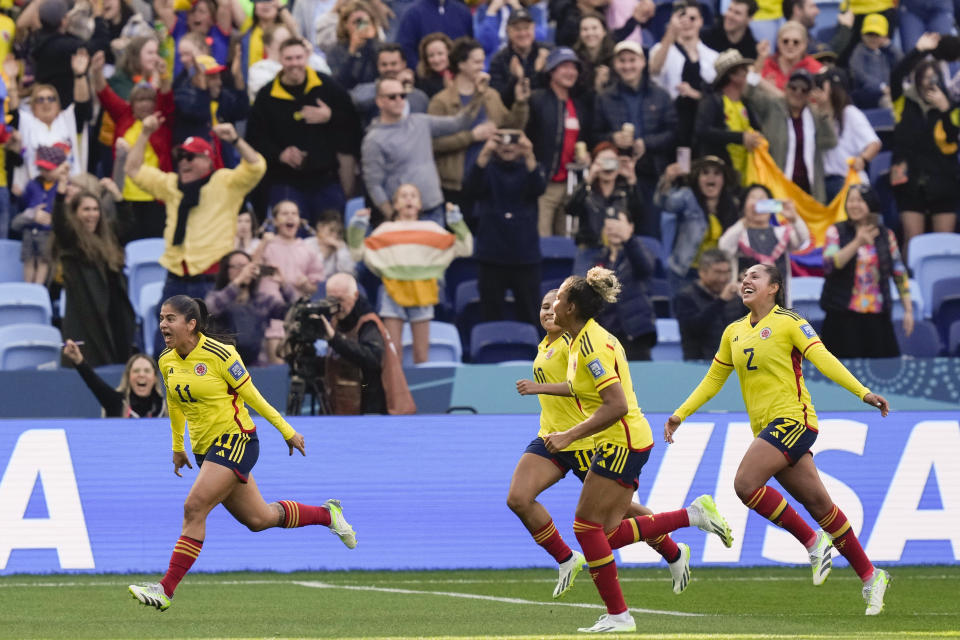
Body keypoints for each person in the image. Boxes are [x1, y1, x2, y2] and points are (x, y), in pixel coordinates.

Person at [666, 263, 892, 616]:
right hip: (767, 430)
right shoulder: (734, 332)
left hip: (794, 420)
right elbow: (713, 380)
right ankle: (871, 575)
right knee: (821, 506)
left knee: (745, 484)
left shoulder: (789, 321)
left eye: (754, 276)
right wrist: (681, 413)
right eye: (744, 277)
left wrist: (863, 393)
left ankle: (812, 541)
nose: (745, 280)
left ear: (774, 287)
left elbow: (823, 358)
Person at [534, 268, 734, 633]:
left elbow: (616, 405)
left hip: (621, 440)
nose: (553, 304)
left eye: (560, 298)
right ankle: (691, 517)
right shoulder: (580, 341)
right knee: (603, 534)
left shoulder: (591, 346)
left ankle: (619, 615)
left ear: (573, 307)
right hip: (620, 440)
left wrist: (567, 435)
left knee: (585, 527)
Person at [128, 295, 357, 611]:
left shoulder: (221, 355)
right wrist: (178, 447)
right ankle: (327, 514)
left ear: (191, 324)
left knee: (194, 507)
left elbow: (254, 398)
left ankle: (165, 589)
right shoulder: (166, 360)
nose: (163, 324)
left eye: (170, 319)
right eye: (162, 318)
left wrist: (287, 430)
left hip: (237, 440)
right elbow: (176, 403)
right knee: (259, 518)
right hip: (206, 450)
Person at [511, 290, 692, 600]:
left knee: (620, 515)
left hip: (584, 441)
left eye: (554, 306)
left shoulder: (577, 343)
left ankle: (673, 551)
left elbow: (583, 389)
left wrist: (541, 389)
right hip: (550, 437)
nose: (548, 312)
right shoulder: (545, 346)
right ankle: (567, 558)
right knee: (518, 498)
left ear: (569, 310)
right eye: (542, 307)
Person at [125, 116, 267, 354]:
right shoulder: (170, 185)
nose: (184, 162)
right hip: (175, 281)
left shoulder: (225, 182)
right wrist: (145, 134)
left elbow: (256, 166)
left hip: (210, 283)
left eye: (191, 157)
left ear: (207, 160)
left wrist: (235, 139)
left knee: (212, 353)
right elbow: (133, 169)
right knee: (166, 352)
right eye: (181, 157)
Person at [348, 185, 472, 363]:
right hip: (392, 292)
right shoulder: (385, 230)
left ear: (420, 204)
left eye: (413, 195)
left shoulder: (432, 229)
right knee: (393, 353)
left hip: (423, 293)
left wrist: (456, 221)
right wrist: (357, 227)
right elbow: (357, 253)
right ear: (395, 205)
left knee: (422, 354)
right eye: (403, 196)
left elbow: (466, 248)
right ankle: (394, 392)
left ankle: (420, 391)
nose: (409, 199)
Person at [247, 38, 360, 218]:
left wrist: (330, 117)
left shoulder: (327, 85)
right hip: (284, 180)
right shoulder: (266, 96)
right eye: (289, 59)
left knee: (331, 234)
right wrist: (279, 154)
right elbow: (254, 138)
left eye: (299, 58)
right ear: (280, 60)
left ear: (307, 57)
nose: (294, 64)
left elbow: (353, 123)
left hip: (326, 178)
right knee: (290, 233)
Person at [361, 75, 483, 225]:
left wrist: (477, 96)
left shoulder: (421, 121)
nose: (399, 100)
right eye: (392, 97)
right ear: (379, 101)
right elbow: (374, 184)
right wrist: (392, 215)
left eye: (403, 95)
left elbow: (459, 123)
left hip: (434, 209)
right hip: (403, 216)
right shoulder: (374, 139)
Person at [428, 36, 530, 213]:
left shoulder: (491, 95)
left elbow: (511, 128)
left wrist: (520, 103)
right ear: (461, 64)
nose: (482, 66)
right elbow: (433, 144)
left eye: (483, 61)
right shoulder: (440, 101)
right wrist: (472, 137)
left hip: (490, 181)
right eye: (477, 62)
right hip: (455, 186)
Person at [51, 172, 137, 368]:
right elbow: (59, 222)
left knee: (118, 366)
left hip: (115, 313)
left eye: (95, 209)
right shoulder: (71, 242)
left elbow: (126, 223)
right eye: (86, 210)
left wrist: (117, 195)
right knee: (89, 366)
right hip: (87, 315)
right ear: (75, 213)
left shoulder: (108, 238)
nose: (92, 214)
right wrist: (61, 192)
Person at [820, 184, 913, 358]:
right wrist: (857, 242)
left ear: (871, 204)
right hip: (842, 316)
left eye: (860, 200)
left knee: (882, 371)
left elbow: (899, 272)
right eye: (851, 200)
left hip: (877, 316)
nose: (854, 205)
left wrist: (908, 310)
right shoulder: (836, 231)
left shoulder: (887, 235)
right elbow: (830, 264)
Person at [592, 41, 677, 230]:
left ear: (643, 62)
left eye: (632, 60)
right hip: (615, 176)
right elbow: (594, 135)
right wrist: (613, 139)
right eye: (622, 60)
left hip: (651, 173)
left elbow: (673, 134)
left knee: (649, 232)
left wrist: (646, 144)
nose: (627, 65)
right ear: (615, 64)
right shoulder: (604, 98)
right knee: (612, 231)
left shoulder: (661, 96)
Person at [463, 129, 544, 328]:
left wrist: (529, 153)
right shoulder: (486, 167)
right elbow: (469, 188)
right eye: (501, 140)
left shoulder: (530, 166)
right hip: (491, 255)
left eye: (514, 140)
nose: (508, 145)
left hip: (525, 256)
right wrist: (485, 152)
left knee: (531, 317)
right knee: (490, 317)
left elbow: (539, 187)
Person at [890, 33, 959, 258]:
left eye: (934, 79)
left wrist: (945, 109)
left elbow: (954, 136)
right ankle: (908, 286)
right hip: (909, 181)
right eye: (925, 79)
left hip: (944, 182)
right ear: (917, 79)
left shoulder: (952, 107)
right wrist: (919, 51)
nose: (929, 84)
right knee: (913, 238)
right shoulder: (904, 102)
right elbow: (896, 74)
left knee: (945, 243)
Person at [315, 272, 415, 415]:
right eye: (331, 300)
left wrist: (334, 339)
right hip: (347, 400)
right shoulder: (337, 319)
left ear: (355, 296)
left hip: (375, 403)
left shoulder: (369, 323)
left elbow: (372, 358)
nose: (336, 306)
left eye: (341, 300)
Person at [525, 47, 590, 237]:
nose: (570, 72)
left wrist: (588, 155)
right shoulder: (537, 99)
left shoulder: (580, 105)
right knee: (542, 240)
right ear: (551, 71)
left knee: (567, 241)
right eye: (564, 66)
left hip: (571, 185)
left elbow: (588, 139)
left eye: (574, 68)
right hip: (544, 185)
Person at [748, 68, 838, 203]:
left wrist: (824, 110)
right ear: (786, 88)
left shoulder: (814, 114)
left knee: (806, 223)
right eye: (793, 88)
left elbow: (831, 141)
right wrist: (757, 66)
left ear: (809, 95)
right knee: (775, 220)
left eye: (804, 90)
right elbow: (748, 94)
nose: (798, 93)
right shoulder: (773, 106)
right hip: (777, 190)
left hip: (809, 193)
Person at [656, 155, 741, 291]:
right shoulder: (688, 197)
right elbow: (665, 204)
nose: (711, 178)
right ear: (697, 178)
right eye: (705, 173)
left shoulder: (732, 206)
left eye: (717, 173)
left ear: (724, 180)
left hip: (719, 277)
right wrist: (667, 179)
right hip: (686, 273)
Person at [718, 184, 810, 304]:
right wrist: (745, 220)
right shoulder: (739, 232)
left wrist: (794, 218)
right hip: (744, 304)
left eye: (762, 198)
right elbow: (724, 248)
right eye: (753, 198)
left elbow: (803, 240)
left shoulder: (781, 232)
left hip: (778, 304)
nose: (758, 202)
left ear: (771, 206)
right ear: (744, 206)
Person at [566, 142, 645, 276]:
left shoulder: (625, 191)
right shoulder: (587, 190)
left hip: (618, 253)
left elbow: (640, 214)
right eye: (603, 162)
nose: (607, 167)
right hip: (589, 250)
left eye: (612, 162)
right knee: (581, 294)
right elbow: (570, 209)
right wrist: (589, 179)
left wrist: (632, 179)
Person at [206, 250, 297, 366]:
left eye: (246, 267)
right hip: (224, 365)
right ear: (226, 271)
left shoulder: (262, 301)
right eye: (238, 267)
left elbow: (294, 313)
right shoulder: (216, 296)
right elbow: (210, 308)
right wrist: (238, 282)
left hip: (256, 366)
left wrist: (284, 285)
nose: (244, 271)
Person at [648, 0, 719, 147]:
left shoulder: (713, 57)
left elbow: (718, 95)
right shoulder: (661, 49)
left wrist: (695, 94)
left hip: (701, 121)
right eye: (682, 18)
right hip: (670, 119)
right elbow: (654, 69)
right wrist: (670, 32)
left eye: (692, 18)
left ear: (701, 21)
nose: (687, 22)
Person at [593, 213, 658, 360]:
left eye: (618, 226)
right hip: (608, 335)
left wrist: (628, 239)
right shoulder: (599, 260)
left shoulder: (640, 252)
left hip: (636, 334)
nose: (614, 231)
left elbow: (645, 267)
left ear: (631, 227)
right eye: (609, 226)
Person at [694, 49, 766, 181]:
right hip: (721, 173)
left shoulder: (745, 103)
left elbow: (757, 129)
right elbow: (702, 130)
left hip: (746, 173)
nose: (746, 72)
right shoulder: (712, 101)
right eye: (742, 69)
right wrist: (740, 137)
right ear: (732, 75)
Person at [814, 67, 881, 202]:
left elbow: (874, 143)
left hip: (847, 179)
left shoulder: (850, 113)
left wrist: (862, 159)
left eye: (824, 86)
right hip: (822, 182)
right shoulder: (815, 115)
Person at [673, 248, 746, 360]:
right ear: (702, 272)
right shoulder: (685, 297)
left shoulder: (736, 297)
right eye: (718, 272)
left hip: (733, 364)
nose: (723, 278)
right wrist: (721, 301)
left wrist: (752, 299)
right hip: (698, 365)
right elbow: (693, 330)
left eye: (727, 272)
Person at [62, 341, 166, 417]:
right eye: (136, 371)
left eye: (147, 371)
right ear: (129, 377)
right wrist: (78, 360)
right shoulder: (116, 403)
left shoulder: (164, 407)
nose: (141, 375)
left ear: (155, 378)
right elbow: (94, 383)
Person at [487, 9, 550, 108]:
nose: (523, 33)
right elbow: (498, 101)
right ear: (508, 30)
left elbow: (554, 93)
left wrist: (541, 72)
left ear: (533, 28)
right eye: (517, 29)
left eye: (526, 28)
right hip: (513, 115)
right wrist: (514, 79)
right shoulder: (498, 60)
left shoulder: (547, 52)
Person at [394, 0, 473, 69]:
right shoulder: (413, 13)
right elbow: (406, 48)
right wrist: (419, 71)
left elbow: (469, 45)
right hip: (425, 80)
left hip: (457, 76)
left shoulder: (462, 11)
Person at [848, 13, 902, 109]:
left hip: (889, 92)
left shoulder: (887, 52)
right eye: (869, 34)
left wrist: (889, 46)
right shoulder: (859, 51)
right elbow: (859, 74)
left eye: (877, 35)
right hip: (867, 95)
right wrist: (880, 87)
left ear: (885, 36)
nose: (873, 38)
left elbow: (901, 63)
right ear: (862, 35)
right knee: (887, 103)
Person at [760, 21, 822, 90]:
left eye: (796, 42)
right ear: (778, 43)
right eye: (785, 41)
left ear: (804, 45)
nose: (790, 45)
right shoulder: (766, 64)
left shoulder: (815, 68)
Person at [415, 32, 454, 98]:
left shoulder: (461, 74)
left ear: (449, 53)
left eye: (440, 53)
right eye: (431, 55)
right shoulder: (421, 80)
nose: (436, 60)